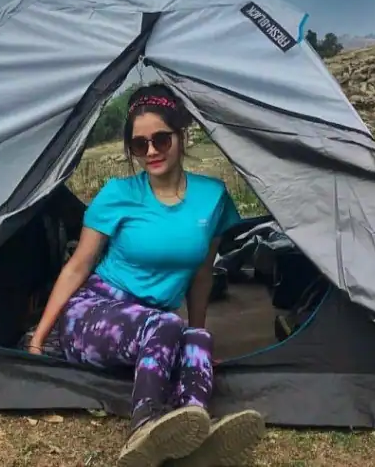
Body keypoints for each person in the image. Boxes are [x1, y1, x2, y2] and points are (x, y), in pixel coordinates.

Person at [27, 83, 266, 467]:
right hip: (93, 311)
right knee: (166, 326)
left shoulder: (213, 197)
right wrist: (40, 338)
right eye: (140, 145)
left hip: (152, 324)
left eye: (160, 139)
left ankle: (195, 436)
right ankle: (143, 430)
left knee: (196, 338)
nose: (151, 151)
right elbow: (78, 266)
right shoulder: (118, 193)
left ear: (181, 135)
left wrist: (196, 332)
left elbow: (203, 274)